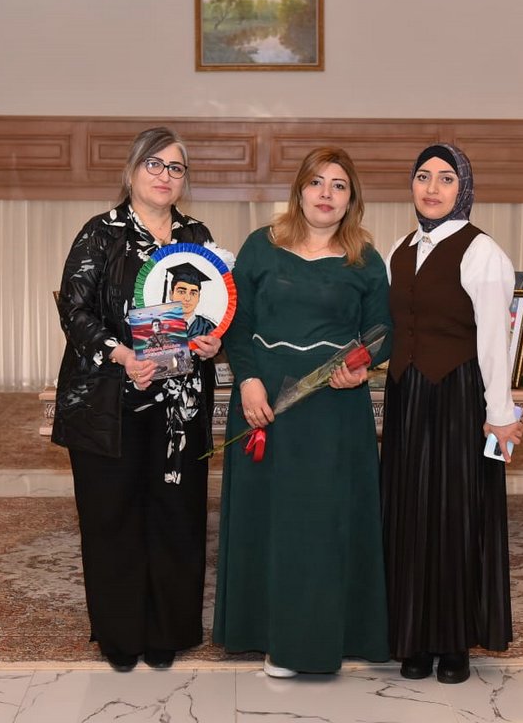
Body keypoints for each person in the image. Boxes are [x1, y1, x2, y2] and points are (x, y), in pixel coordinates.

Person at [213, 146, 392, 677]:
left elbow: (382, 331)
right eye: (317, 182)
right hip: (265, 404)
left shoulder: (366, 258)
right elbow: (237, 322)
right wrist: (247, 380)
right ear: (299, 190)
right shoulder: (261, 246)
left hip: (334, 412)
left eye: (339, 185)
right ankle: (269, 635)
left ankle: (323, 639)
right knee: (273, 522)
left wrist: (362, 365)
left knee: (322, 523)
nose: (326, 194)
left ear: (351, 199)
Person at [50, 127, 222, 672]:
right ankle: (121, 636)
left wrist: (213, 340)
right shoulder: (100, 233)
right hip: (110, 401)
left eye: (176, 168)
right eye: (154, 164)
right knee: (113, 517)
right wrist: (122, 355)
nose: (165, 176)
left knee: (176, 515)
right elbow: (74, 311)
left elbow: (213, 309)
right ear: (131, 171)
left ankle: (168, 630)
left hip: (179, 405)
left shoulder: (196, 236)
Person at [380, 143, 522, 685]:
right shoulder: (399, 248)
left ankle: (453, 642)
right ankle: (414, 637)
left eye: (445, 178)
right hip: (406, 395)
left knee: (454, 516)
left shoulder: (483, 252)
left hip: (458, 398)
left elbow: (494, 341)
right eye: (423, 177)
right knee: (410, 513)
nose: (432, 188)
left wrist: (500, 413)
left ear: (463, 187)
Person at [165, 263, 217, 338]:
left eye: (193, 293)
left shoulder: (209, 328)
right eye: (181, 292)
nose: (187, 298)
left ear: (198, 297)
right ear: (171, 294)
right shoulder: (158, 324)